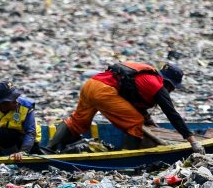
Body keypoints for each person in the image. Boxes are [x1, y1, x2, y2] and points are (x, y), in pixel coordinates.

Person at [48, 62, 203, 153]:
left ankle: (49, 150)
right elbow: (172, 114)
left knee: (77, 122)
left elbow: (132, 98)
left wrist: (148, 119)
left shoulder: (147, 77)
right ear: (169, 84)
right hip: (104, 91)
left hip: (91, 84)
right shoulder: (158, 87)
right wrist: (192, 140)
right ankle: (127, 156)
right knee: (135, 122)